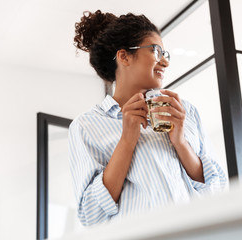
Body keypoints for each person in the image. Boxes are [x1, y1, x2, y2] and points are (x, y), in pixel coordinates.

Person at [69, 10, 227, 227]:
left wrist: (180, 142)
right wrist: (126, 141)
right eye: (155, 51)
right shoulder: (87, 126)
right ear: (124, 56)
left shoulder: (185, 112)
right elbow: (90, 214)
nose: (165, 62)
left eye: (165, 54)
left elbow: (218, 191)